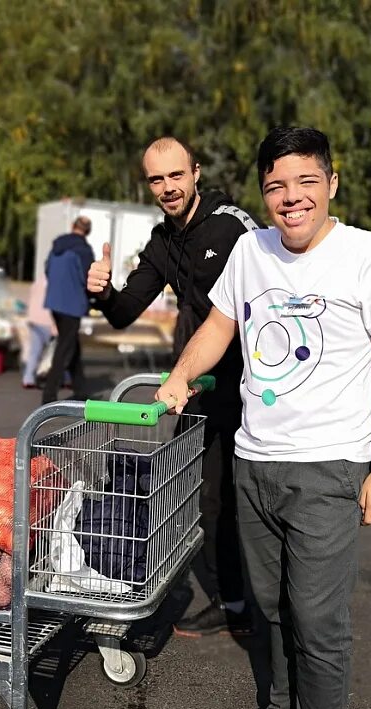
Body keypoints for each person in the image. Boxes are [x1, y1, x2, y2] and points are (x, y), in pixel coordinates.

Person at [154, 127, 371, 709]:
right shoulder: (251, 250)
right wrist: (182, 374)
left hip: (331, 469)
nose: (290, 197)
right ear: (264, 192)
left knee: (319, 622)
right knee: (269, 611)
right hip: (255, 463)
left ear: (331, 182)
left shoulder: (370, 255)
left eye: (305, 181)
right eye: (276, 185)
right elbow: (218, 325)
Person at [87, 136, 261, 638]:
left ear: (196, 173)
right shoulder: (162, 243)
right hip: (200, 387)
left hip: (253, 387)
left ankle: (268, 603)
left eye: (176, 175)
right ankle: (234, 605)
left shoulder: (232, 226)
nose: (168, 187)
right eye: (157, 179)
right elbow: (122, 313)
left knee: (254, 499)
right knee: (209, 501)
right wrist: (99, 291)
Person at [41, 216, 94, 404]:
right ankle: (49, 395)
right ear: (87, 232)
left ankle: (80, 390)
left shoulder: (57, 246)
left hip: (55, 302)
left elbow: (47, 269)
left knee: (72, 345)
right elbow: (90, 278)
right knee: (64, 349)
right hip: (72, 304)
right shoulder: (83, 250)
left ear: (73, 226)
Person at [21, 263, 59, 389]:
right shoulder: (56, 284)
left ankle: (28, 378)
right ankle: (64, 378)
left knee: (34, 352)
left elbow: (30, 300)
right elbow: (55, 306)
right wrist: (55, 325)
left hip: (34, 320)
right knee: (57, 352)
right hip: (47, 321)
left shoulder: (38, 282)